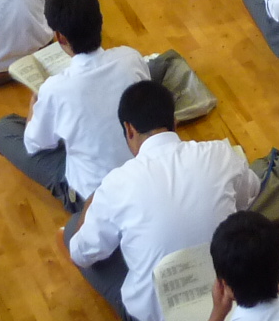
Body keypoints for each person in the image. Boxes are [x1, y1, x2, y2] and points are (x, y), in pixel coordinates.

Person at [63, 79, 260, 321]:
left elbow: (81, 255)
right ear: (174, 122)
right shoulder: (220, 153)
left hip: (162, 314)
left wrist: (89, 206)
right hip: (234, 301)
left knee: (73, 229)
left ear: (129, 130)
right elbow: (250, 194)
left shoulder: (116, 184)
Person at [0, 0, 150, 213]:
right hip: (143, 180)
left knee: (4, 129)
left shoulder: (55, 89)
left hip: (93, 197)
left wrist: (34, 107)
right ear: (100, 21)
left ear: (60, 37)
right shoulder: (130, 58)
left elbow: (35, 144)